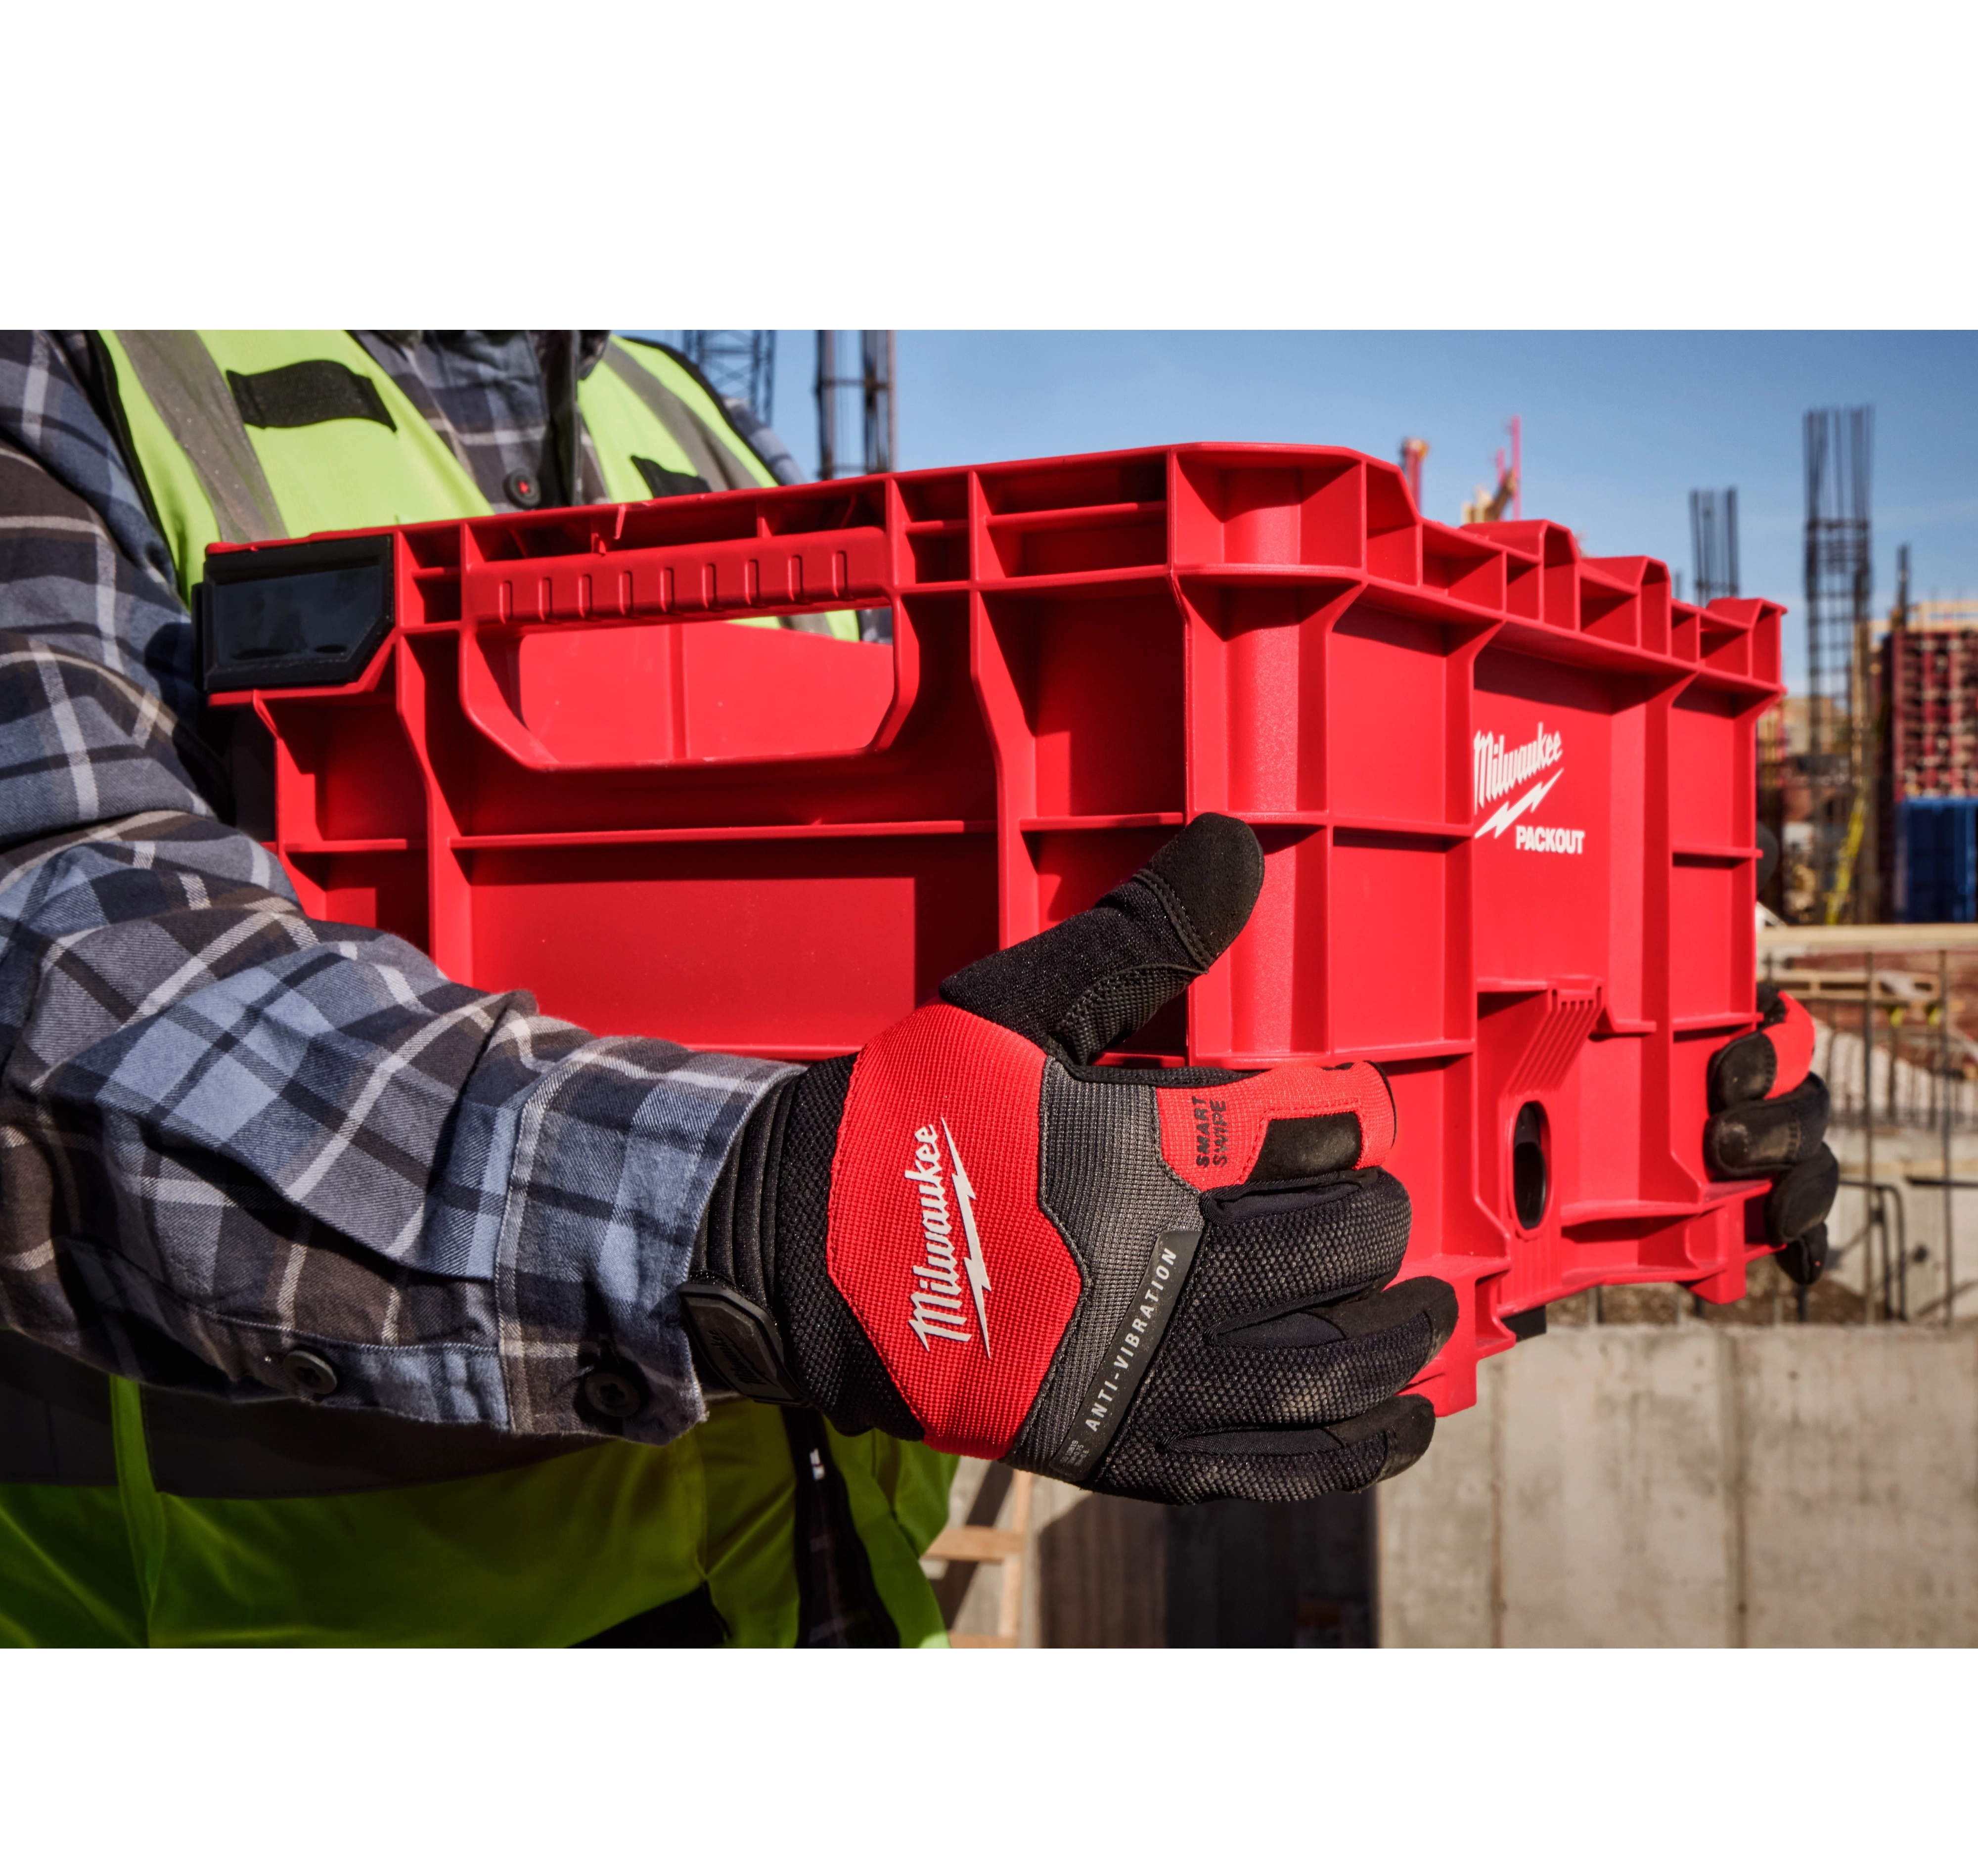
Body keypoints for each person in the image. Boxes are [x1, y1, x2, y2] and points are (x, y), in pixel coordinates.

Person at [0, 328, 1838, 1648]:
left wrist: (1625, 1109)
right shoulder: (85, 367)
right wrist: (747, 1216)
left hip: (799, 1595)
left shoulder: (668, 414)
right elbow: (61, 954)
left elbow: (891, 945)